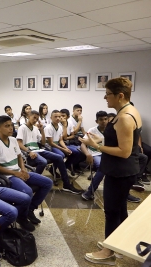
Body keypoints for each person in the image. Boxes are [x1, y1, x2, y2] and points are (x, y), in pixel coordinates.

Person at [80, 78, 142, 265]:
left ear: (120, 95)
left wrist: (95, 147)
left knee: (112, 210)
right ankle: (120, 243)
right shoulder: (128, 110)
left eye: (107, 94)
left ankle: (109, 251)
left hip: (120, 170)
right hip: (123, 169)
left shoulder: (124, 117)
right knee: (120, 208)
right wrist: (99, 140)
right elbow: (119, 140)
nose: (104, 97)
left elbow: (124, 151)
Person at [0, 116, 53, 227]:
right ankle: (22, 218)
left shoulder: (13, 140)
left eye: (11, 125)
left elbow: (19, 157)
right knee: (27, 192)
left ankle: (29, 210)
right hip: (8, 176)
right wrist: (15, 173)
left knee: (47, 182)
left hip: (18, 171)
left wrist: (23, 170)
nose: (11, 128)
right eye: (7, 126)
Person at [80, 111, 141, 203]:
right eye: (101, 119)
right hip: (96, 153)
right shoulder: (92, 130)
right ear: (97, 121)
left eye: (106, 119)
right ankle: (90, 191)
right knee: (103, 167)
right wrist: (88, 154)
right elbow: (83, 144)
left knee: (141, 158)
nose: (104, 121)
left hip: (110, 153)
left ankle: (129, 190)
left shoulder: (113, 129)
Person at [17, 110, 72, 189]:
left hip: (38, 150)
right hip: (29, 151)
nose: (35, 120)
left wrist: (42, 130)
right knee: (43, 161)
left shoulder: (36, 129)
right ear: (28, 117)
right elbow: (19, 143)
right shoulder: (22, 128)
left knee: (59, 157)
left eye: (37, 119)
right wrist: (29, 152)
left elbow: (42, 143)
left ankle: (66, 184)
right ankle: (33, 181)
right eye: (34, 118)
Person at [44, 110, 82, 193]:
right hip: (50, 147)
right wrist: (63, 149)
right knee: (61, 155)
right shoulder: (48, 127)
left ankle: (63, 168)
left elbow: (61, 140)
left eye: (59, 116)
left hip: (58, 145)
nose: (58, 118)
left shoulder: (60, 127)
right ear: (51, 118)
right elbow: (51, 143)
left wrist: (66, 148)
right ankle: (66, 183)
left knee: (76, 153)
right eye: (55, 117)